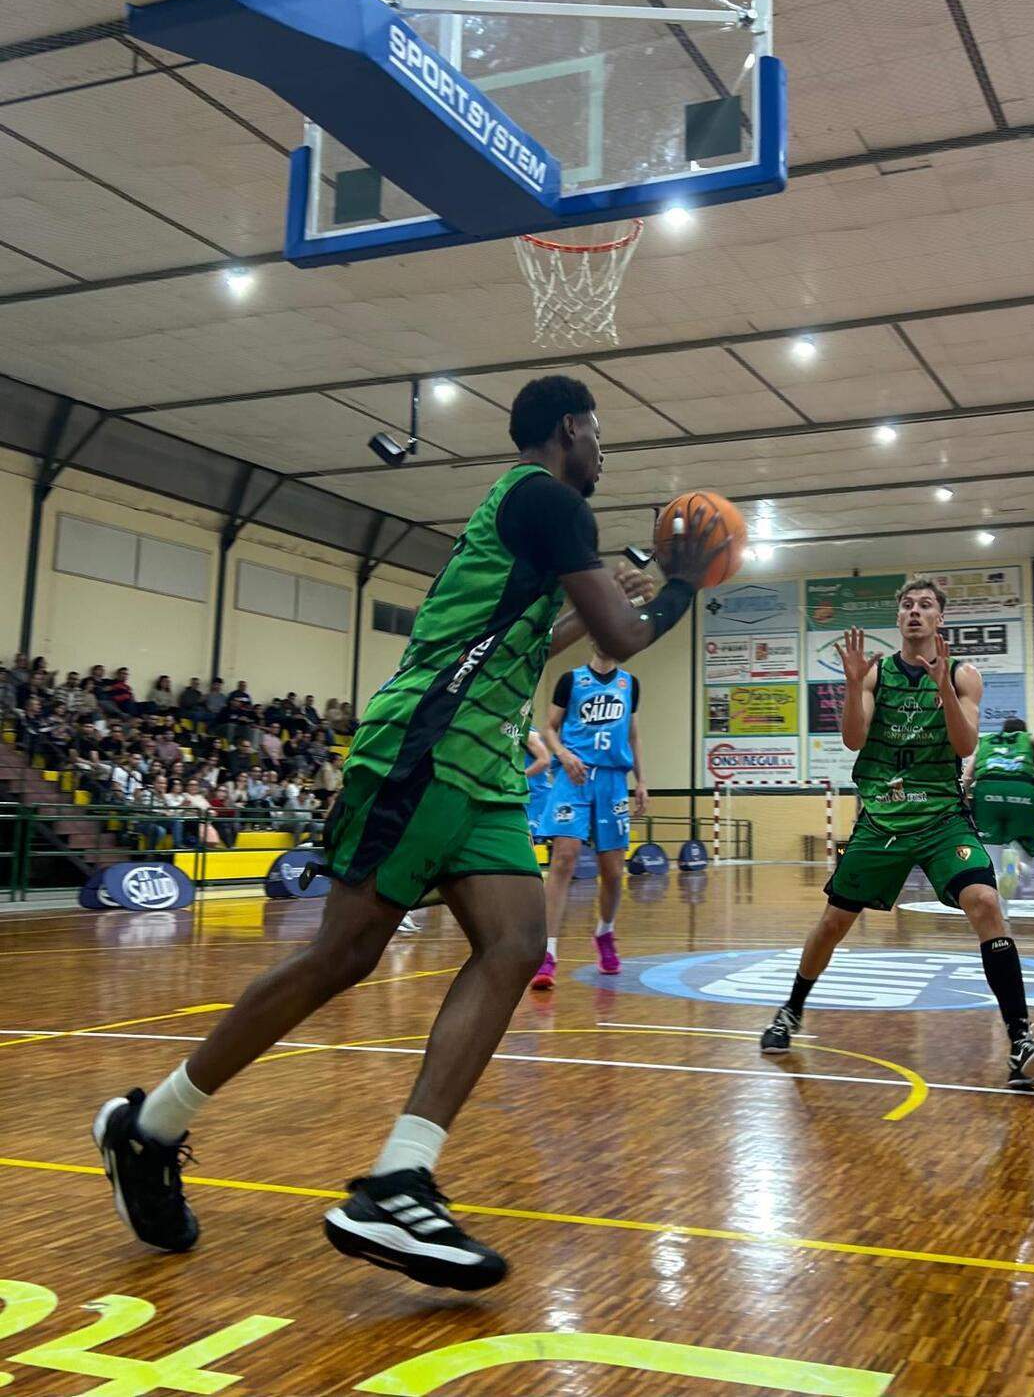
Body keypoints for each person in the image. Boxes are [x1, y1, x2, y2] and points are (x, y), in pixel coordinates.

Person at [93, 372, 725, 1289]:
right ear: (567, 429)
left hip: (482, 765)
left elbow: (530, 640)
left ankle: (399, 1178)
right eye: (596, 432)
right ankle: (150, 1127)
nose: (601, 451)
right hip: (424, 747)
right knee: (341, 958)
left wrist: (611, 600)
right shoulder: (547, 499)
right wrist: (680, 585)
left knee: (516, 944)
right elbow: (622, 638)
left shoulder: (531, 516)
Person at [759, 578, 1034, 1089]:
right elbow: (854, 739)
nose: (914, 611)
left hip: (942, 817)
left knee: (986, 902)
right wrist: (852, 684)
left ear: (940, 618)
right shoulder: (876, 673)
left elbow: (965, 747)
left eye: (925, 605)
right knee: (833, 924)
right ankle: (791, 1010)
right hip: (883, 817)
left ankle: (1020, 1040)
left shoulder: (963, 675)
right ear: (898, 618)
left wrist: (942, 689)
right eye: (906, 605)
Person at [530, 652, 647, 989]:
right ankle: (547, 952)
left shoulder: (629, 684)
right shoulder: (570, 680)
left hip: (612, 780)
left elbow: (633, 735)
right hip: (574, 776)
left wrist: (641, 780)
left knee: (613, 871)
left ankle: (605, 933)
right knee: (563, 860)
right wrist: (563, 754)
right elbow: (549, 727)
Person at [962, 716, 1034, 907]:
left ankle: (1003, 915)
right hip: (1021, 793)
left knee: (994, 864)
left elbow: (967, 776)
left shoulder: (986, 743)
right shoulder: (1027, 740)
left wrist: (963, 798)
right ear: (1022, 731)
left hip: (987, 793)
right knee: (1025, 859)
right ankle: (1019, 867)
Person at [524, 729, 552, 838]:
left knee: (533, 841)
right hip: (520, 798)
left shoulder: (528, 733)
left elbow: (544, 760)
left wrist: (519, 776)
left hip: (536, 797)